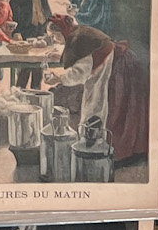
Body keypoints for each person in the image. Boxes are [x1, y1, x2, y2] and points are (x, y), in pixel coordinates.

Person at [45, 14, 150, 163]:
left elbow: (80, 73)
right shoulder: (78, 33)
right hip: (119, 61)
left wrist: (59, 78)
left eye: (54, 37)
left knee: (99, 105)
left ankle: (98, 150)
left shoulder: (78, 40)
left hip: (116, 69)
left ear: (61, 31)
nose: (53, 40)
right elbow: (83, 56)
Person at [9, 0, 64, 88]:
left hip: (42, 26)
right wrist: (16, 32)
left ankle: (36, 92)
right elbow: (14, 11)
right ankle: (20, 92)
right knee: (25, 65)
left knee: (39, 64)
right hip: (26, 27)